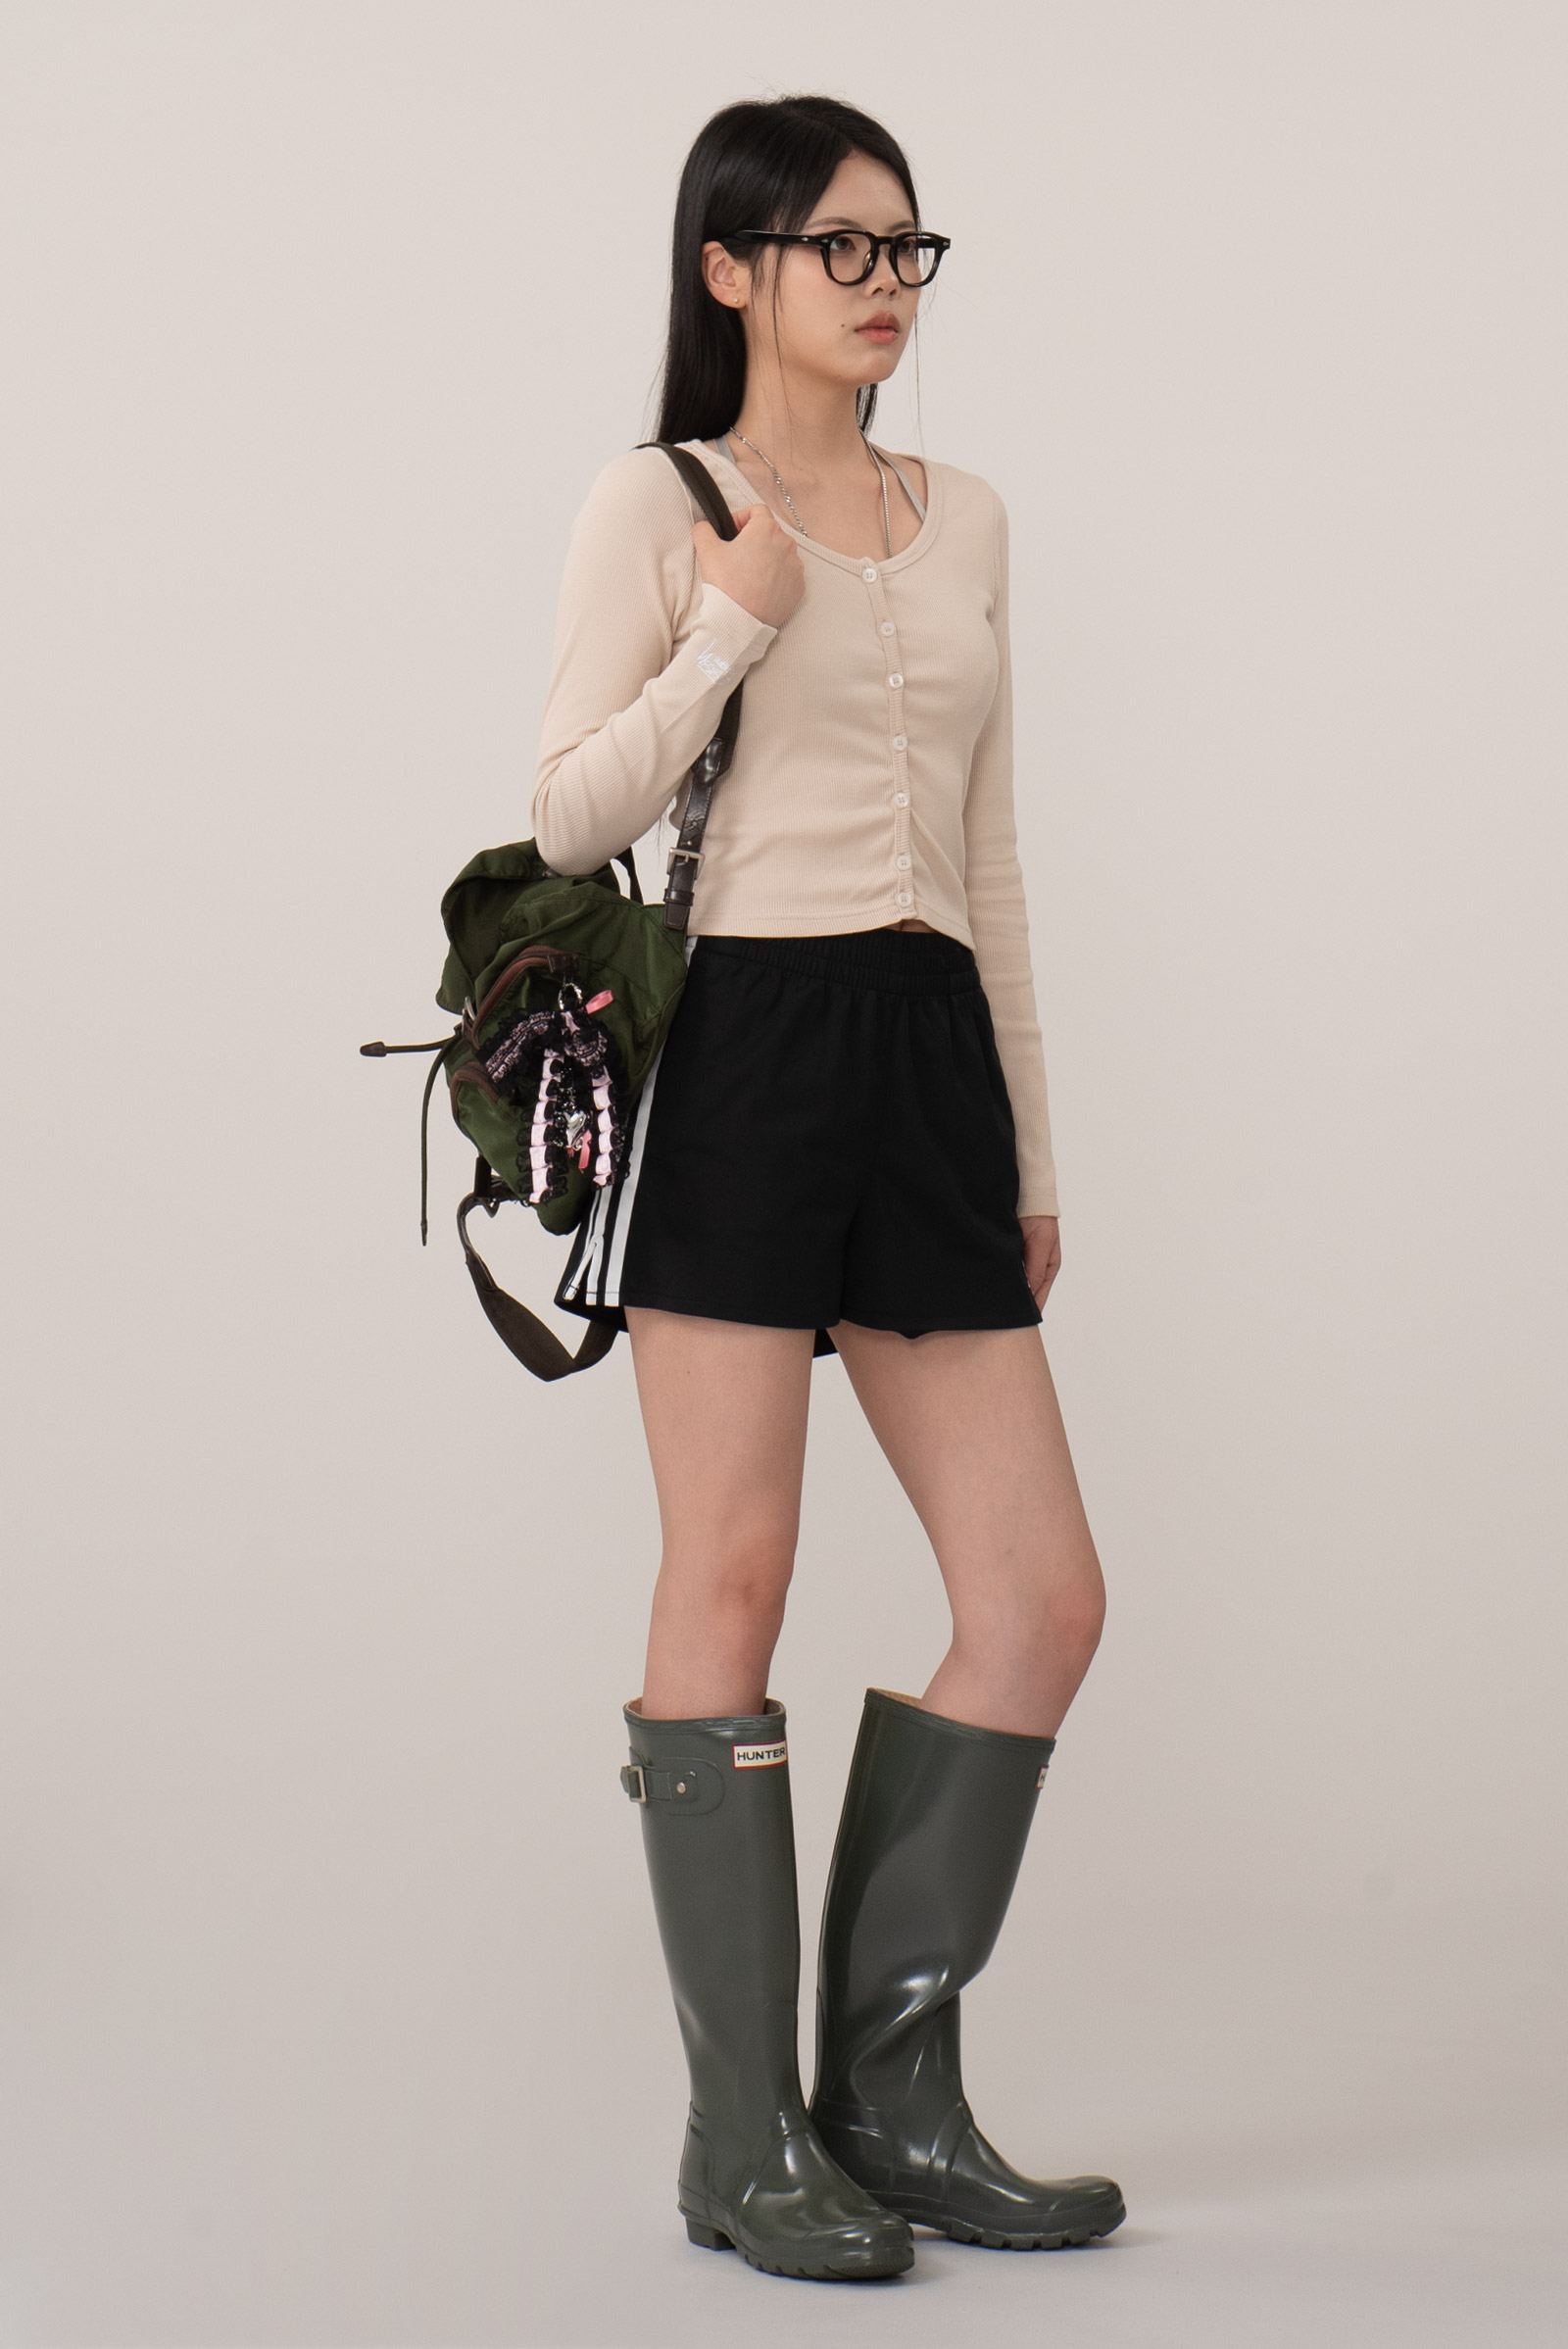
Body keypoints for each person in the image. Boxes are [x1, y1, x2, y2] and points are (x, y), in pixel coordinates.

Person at [531, 94, 1124, 2282]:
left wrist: (1026, 1148)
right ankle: (742, 2137)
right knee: (735, 1568)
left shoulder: (969, 518)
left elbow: (991, 855)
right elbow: (567, 815)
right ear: (731, 269)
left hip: (929, 1057)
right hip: (746, 1056)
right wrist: (723, 630)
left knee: (1039, 1598)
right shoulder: (662, 501)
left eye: (907, 247)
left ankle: (892, 2095)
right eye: (841, 247)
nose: (886, 284)